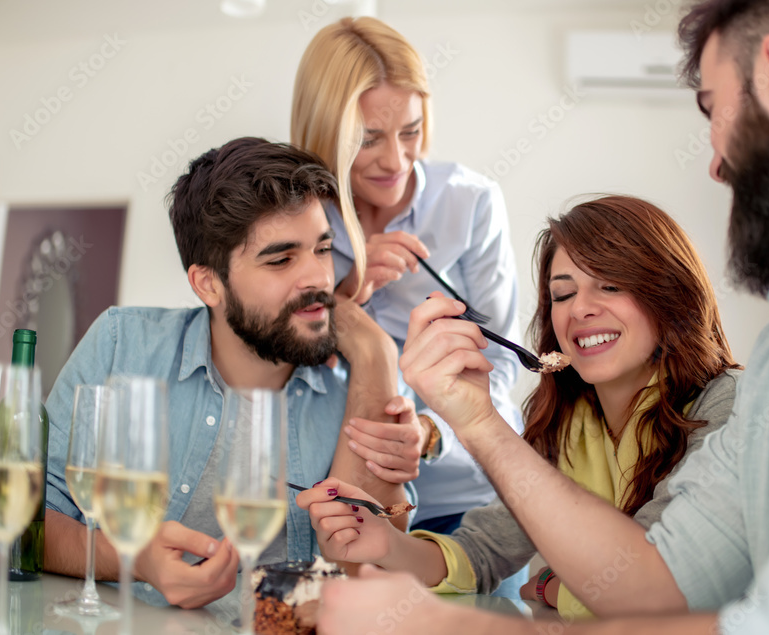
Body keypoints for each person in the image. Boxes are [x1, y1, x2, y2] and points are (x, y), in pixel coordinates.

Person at [311, 0, 769, 633]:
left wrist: (460, 627)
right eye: (564, 292)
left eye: (712, 107)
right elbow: (663, 587)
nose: (715, 162)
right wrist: (474, 419)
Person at [298, 195, 742, 619]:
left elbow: (653, 590)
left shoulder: (731, 405)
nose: (581, 308)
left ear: (670, 295)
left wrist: (564, 588)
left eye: (611, 285)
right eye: (563, 295)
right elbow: (483, 552)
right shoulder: (567, 423)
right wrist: (385, 544)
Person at [43, 137, 422, 609]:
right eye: (282, 259)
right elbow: (20, 522)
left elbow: (368, 567)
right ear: (209, 284)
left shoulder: (361, 381)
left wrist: (374, 352)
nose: (320, 279)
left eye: (322, 249)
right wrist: (132, 558)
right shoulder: (125, 347)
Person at [290, 18, 524, 541]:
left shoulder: (470, 203)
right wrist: (347, 292)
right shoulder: (291, 218)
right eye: (367, 139)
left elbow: (505, 359)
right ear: (325, 130)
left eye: (411, 132)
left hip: (463, 502)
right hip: (334, 498)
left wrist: (431, 432)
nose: (394, 160)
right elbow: (267, 356)